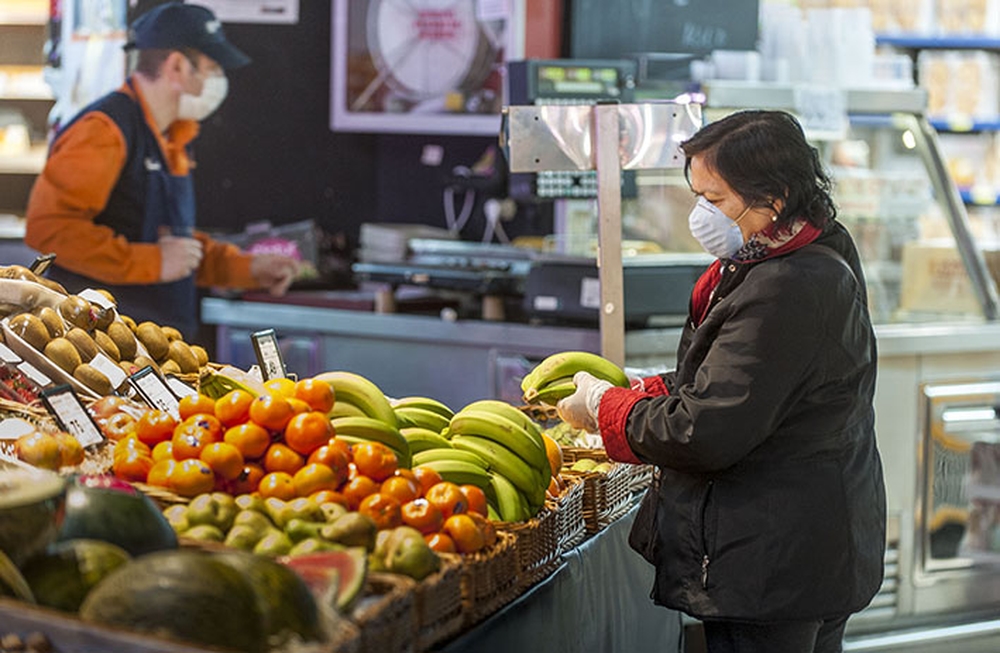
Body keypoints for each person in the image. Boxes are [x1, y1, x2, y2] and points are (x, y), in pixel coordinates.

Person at [557, 110, 886, 653]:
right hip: (797, 550)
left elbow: (705, 429)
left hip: (773, 562)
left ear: (773, 198)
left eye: (717, 200)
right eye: (698, 196)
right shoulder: (799, 248)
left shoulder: (788, 285)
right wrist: (648, 391)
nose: (701, 214)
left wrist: (607, 408)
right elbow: (745, 380)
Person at [24, 2, 300, 339]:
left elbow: (176, 248)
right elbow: (50, 230)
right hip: (100, 345)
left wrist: (248, 268)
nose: (218, 82)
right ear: (178, 66)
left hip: (158, 343)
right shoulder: (103, 130)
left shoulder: (172, 136)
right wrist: (153, 261)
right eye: (213, 68)